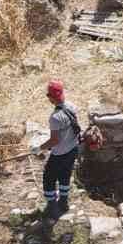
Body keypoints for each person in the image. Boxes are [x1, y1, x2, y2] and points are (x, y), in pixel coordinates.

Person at [37, 80, 81, 218]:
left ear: (51, 97)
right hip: (73, 148)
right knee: (65, 175)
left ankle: (52, 206)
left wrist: (39, 148)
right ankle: (63, 202)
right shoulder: (72, 107)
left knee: (49, 178)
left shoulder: (55, 118)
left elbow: (55, 140)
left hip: (60, 153)